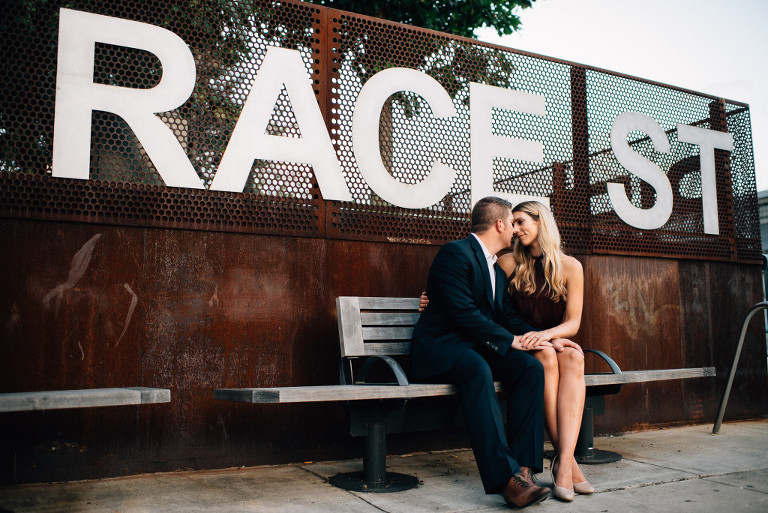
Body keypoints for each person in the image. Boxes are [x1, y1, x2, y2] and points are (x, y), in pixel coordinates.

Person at [420, 200, 591, 502]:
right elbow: (464, 313)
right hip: (443, 348)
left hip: (476, 346)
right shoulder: (455, 253)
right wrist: (510, 340)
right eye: (512, 223)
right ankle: (507, 481)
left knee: (530, 368)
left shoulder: (496, 268)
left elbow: (507, 316)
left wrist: (539, 340)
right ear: (500, 225)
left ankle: (524, 469)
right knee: (477, 369)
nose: (515, 230)